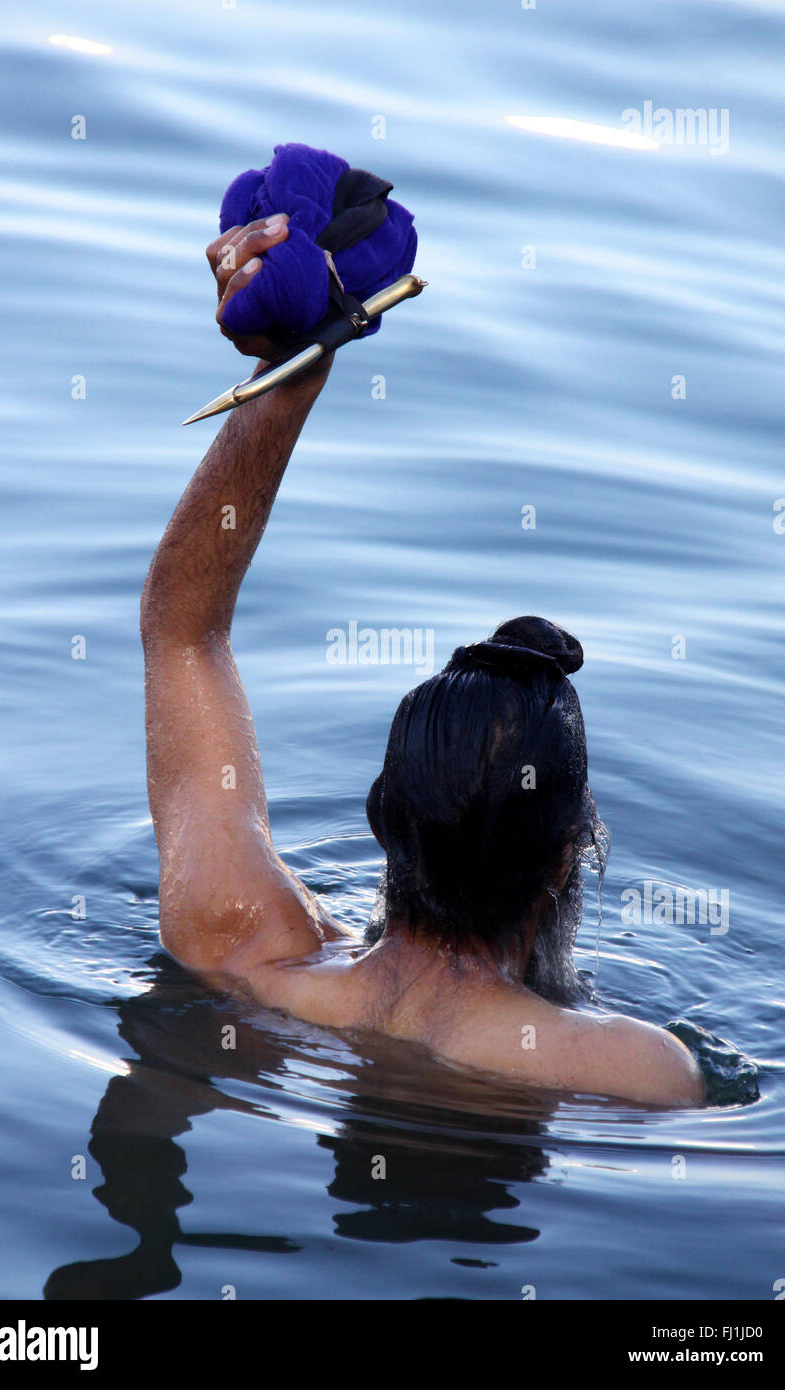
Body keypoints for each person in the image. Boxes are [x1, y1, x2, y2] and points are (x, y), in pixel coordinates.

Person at [139, 211, 705, 1108]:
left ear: (380, 816)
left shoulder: (238, 947)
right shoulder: (634, 1069)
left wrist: (292, 366)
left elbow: (183, 630)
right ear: (565, 862)